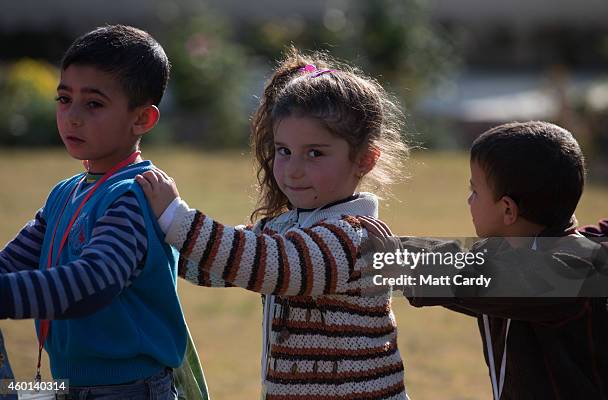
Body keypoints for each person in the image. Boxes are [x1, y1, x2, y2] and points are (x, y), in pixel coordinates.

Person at [137, 48, 411, 400]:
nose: (293, 169)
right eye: (283, 150)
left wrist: (175, 215)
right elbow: (207, 265)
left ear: (364, 160)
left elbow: (272, 266)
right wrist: (134, 235)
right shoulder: (283, 230)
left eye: (315, 153)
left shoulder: (355, 238)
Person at [0, 25, 187, 399]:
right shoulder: (64, 194)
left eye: (94, 104)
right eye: (64, 99)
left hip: (129, 391)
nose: (72, 116)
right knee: (11, 392)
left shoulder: (134, 195)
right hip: (63, 388)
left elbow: (93, 283)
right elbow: (10, 265)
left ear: (142, 120)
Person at [402, 121, 608, 400]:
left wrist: (384, 256)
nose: (469, 200)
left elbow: (471, 278)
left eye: (475, 191)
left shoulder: (571, 273)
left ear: (508, 209)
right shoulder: (520, 255)